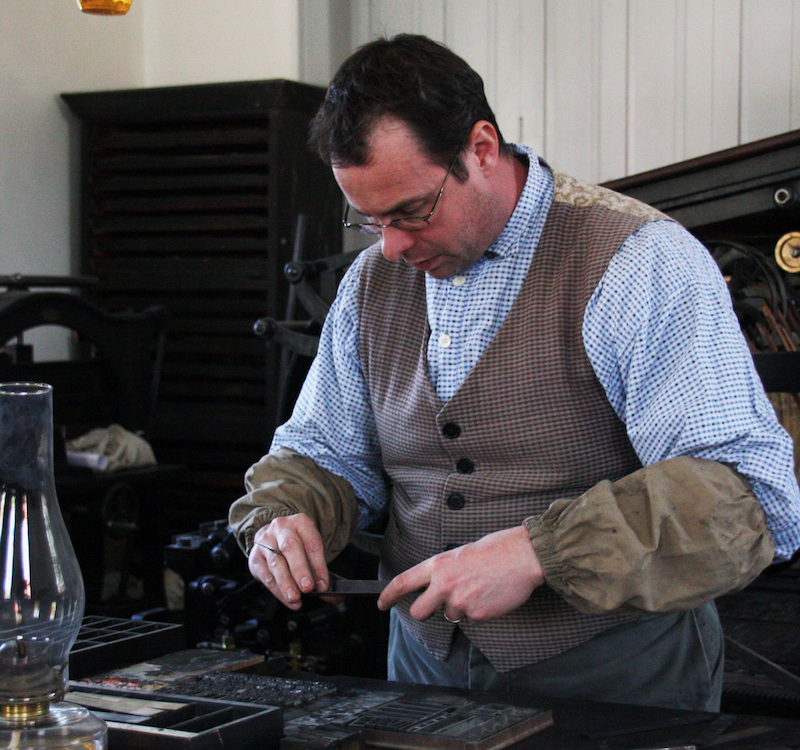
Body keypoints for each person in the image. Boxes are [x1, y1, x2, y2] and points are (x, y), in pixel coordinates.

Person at [229, 33, 800, 711]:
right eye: (369, 220)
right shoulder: (370, 285)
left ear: (481, 148)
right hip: (420, 676)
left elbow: (748, 496)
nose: (392, 245)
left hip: (616, 683)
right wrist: (286, 516)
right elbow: (324, 452)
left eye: (413, 212)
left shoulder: (637, 261)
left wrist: (541, 553)